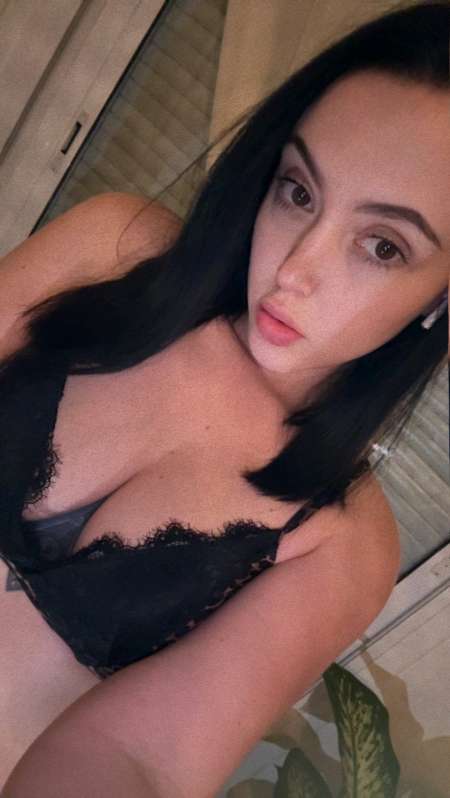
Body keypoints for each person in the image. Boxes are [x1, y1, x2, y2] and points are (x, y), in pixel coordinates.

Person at [1, 2, 449, 795]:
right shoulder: (113, 246)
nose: (295, 269)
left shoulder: (344, 541)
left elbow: (148, 762)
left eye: (383, 246)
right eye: (299, 191)